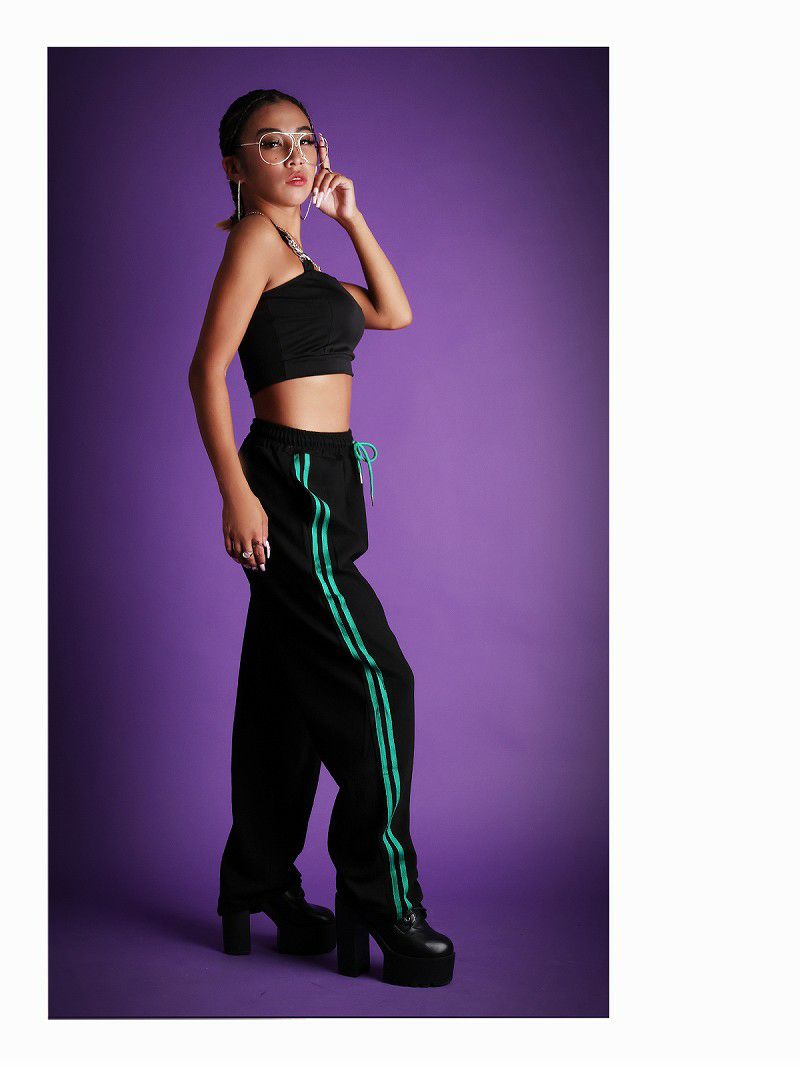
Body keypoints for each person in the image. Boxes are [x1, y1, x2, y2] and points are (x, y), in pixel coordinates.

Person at [187, 89, 455, 987]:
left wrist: (351, 217)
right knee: (379, 676)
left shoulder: (297, 251)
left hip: (329, 476)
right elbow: (206, 371)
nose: (296, 155)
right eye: (272, 143)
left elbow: (393, 311)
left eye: (305, 139)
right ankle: (383, 896)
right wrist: (237, 493)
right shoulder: (254, 240)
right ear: (237, 165)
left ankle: (257, 883)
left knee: (286, 692)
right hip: (289, 481)